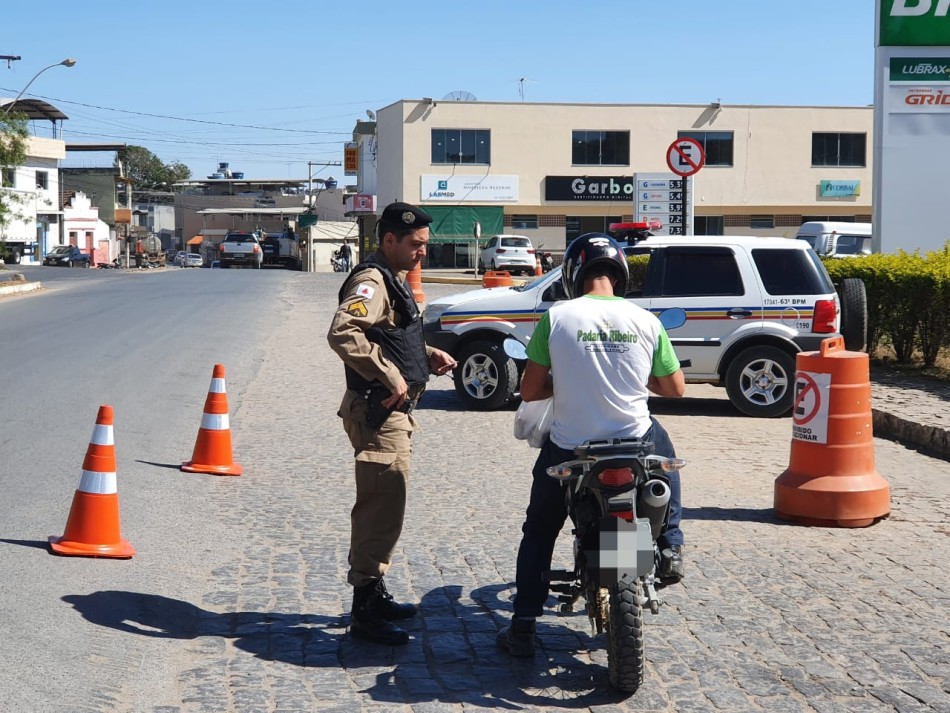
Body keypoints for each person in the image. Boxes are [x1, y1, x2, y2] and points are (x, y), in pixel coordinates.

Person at [497, 232, 686, 658]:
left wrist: (566, 378)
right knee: (667, 455)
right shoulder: (647, 320)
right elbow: (675, 388)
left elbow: (529, 391)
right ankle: (671, 543)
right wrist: (638, 378)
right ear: (619, 274)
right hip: (633, 443)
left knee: (540, 531)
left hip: (572, 448)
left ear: (572, 273)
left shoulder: (558, 318)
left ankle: (524, 626)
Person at [327, 201, 457, 646]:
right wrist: (390, 372)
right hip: (377, 412)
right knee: (380, 507)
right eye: (416, 245)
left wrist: (426, 354)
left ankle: (374, 592)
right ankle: (364, 608)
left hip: (393, 413)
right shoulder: (370, 280)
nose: (423, 252)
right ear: (389, 240)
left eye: (425, 244)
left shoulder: (393, 280)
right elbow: (344, 331)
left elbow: (393, 333)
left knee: (388, 504)